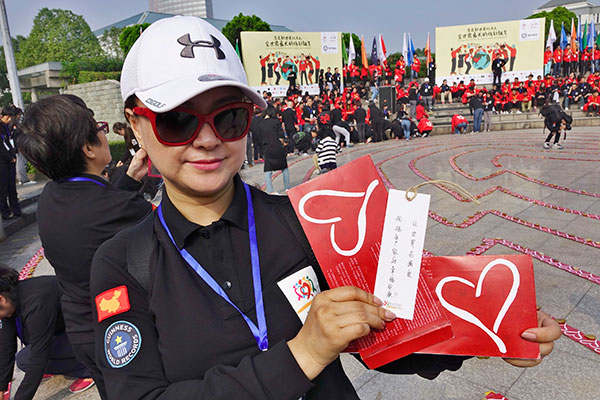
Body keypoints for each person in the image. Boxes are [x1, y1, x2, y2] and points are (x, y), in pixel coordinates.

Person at [89, 16, 560, 400]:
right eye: (177, 120)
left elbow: (386, 331)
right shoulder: (123, 263)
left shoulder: (304, 220)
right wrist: (303, 354)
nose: (208, 138)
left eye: (228, 116)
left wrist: (493, 334)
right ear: (135, 124)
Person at [16, 94, 153, 399]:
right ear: (88, 148)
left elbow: (93, 213)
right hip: (123, 334)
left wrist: (128, 181)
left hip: (84, 331)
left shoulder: (50, 197)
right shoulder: (122, 209)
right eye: (98, 127)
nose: (104, 132)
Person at [0, 267, 95, 399]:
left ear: (1, 299)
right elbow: (6, 345)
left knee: (34, 360)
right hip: (66, 330)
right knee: (24, 360)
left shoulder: (35, 301)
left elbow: (40, 355)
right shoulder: (12, 296)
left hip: (89, 331)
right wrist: (1, 387)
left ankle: (89, 369)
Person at [259, 107, 290, 193]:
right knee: (284, 168)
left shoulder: (260, 123)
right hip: (277, 146)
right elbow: (281, 136)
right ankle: (287, 188)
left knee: (268, 170)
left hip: (267, 148)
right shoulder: (276, 122)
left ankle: (270, 190)